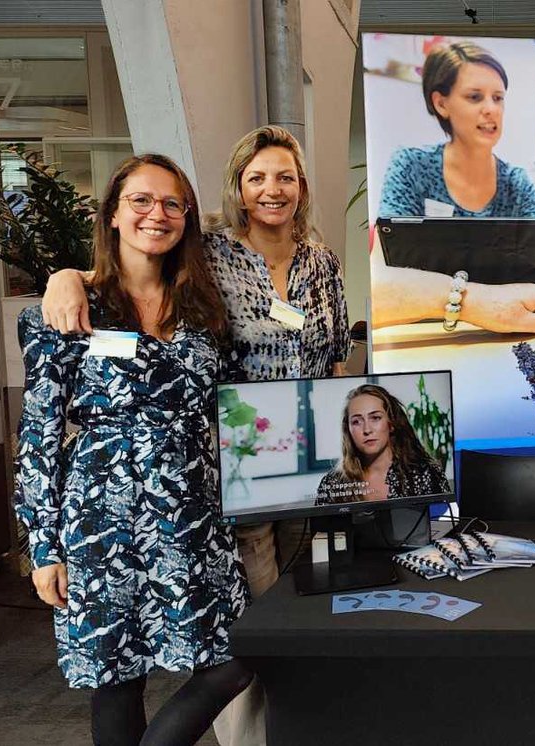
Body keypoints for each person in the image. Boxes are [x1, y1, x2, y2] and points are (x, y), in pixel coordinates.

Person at [41, 125, 349, 746]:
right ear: (238, 187)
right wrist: (65, 275)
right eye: (257, 177)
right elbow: (135, 258)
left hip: (309, 466)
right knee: (245, 634)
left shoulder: (322, 262)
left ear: (303, 186)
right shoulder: (209, 254)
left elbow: (337, 358)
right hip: (231, 469)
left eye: (285, 176)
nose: (272, 189)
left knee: (299, 616)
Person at [15, 154, 251, 745]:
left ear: (187, 219)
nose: (157, 214)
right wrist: (43, 546)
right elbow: (39, 436)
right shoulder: (67, 309)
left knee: (236, 657)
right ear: (114, 214)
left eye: (173, 203)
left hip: (192, 520)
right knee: (117, 679)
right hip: (102, 526)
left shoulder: (204, 312)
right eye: (141, 200)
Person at [371, 40, 535, 333]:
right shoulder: (410, 167)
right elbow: (381, 274)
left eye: (498, 98)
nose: (490, 110)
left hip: (505, 333)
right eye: (474, 97)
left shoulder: (516, 182)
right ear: (441, 103)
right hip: (422, 332)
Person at [315, 385, 450, 504]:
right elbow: (321, 532)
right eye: (356, 422)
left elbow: (445, 525)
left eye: (375, 418)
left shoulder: (425, 473)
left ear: (391, 424)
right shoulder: (332, 483)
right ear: (348, 430)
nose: (367, 430)